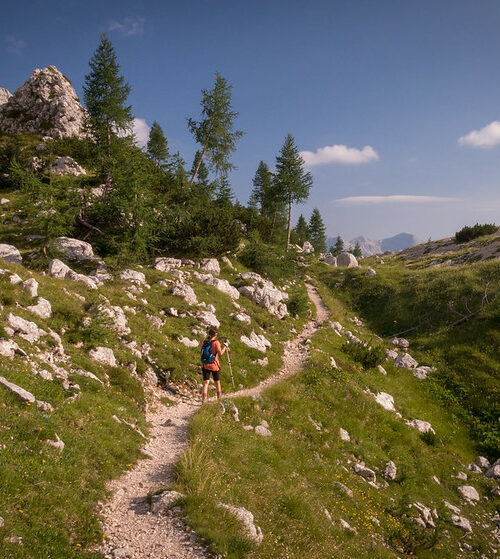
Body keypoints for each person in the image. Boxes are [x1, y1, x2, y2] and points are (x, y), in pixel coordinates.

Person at [201, 327, 228, 403]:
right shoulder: (216, 343)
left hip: (205, 364)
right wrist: (225, 347)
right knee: (217, 382)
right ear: (215, 335)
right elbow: (220, 353)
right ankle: (219, 397)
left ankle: (204, 399)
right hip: (214, 365)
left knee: (206, 382)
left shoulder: (204, 342)